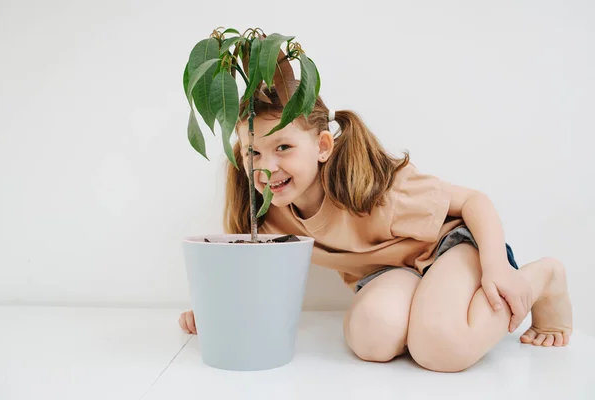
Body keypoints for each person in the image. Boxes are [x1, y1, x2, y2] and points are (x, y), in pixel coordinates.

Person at [179, 84, 573, 372]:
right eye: (254, 152)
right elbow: (250, 272)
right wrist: (214, 313)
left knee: (439, 348)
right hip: (394, 272)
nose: (267, 166)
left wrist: (496, 266)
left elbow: (473, 202)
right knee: (372, 338)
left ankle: (545, 276)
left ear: (321, 146)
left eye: (283, 147)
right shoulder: (267, 214)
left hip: (448, 247)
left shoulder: (375, 190)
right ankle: (427, 304)